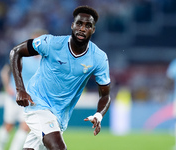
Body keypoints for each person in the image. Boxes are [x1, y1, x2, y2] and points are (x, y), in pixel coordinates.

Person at [9, 5, 111, 150]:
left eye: (88, 25)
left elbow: (105, 95)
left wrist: (99, 115)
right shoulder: (51, 43)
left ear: (93, 30)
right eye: (79, 23)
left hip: (60, 115)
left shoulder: (99, 58)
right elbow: (16, 52)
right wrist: (20, 89)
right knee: (58, 148)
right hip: (37, 103)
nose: (82, 28)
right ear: (72, 25)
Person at [0, 29, 47, 150]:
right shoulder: (22, 56)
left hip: (28, 100)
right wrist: (8, 87)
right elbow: (5, 71)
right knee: (8, 125)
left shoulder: (44, 60)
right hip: (14, 96)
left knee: (25, 126)